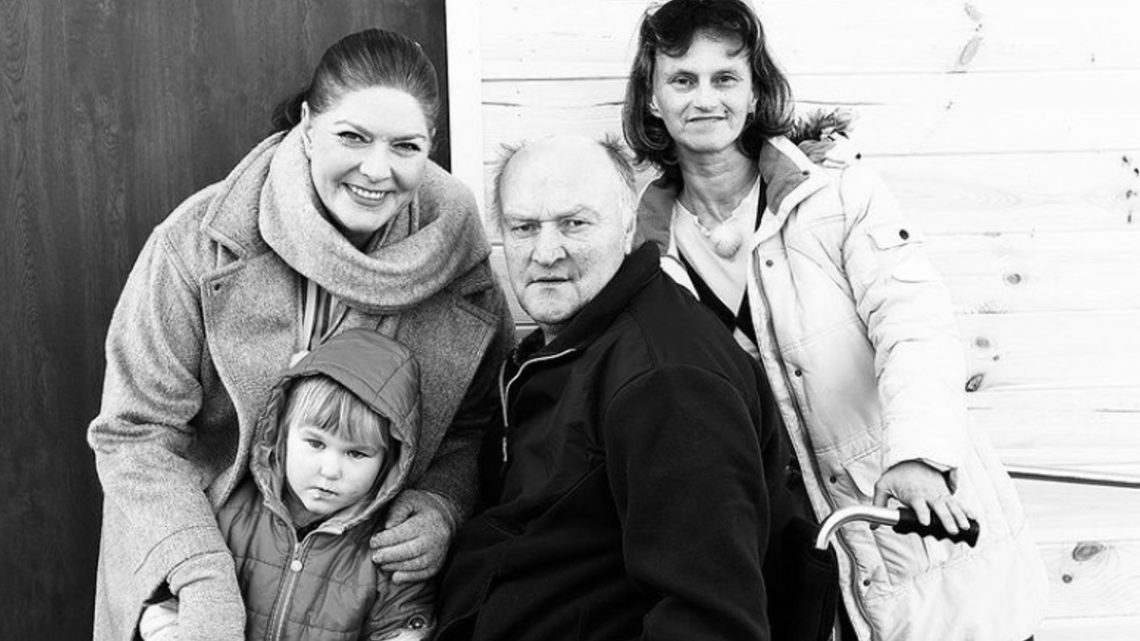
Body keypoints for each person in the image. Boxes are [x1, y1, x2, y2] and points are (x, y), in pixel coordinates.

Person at [621, 1, 1049, 640]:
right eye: (682, 79)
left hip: (908, 519)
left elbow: (914, 323)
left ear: (754, 91)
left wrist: (920, 455)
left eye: (725, 78)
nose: (704, 98)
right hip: (789, 553)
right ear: (653, 99)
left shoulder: (837, 194)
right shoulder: (645, 251)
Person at [88, 29, 513, 641]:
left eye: (405, 146)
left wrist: (443, 504)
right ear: (309, 127)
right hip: (188, 565)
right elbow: (135, 433)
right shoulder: (198, 245)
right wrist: (201, 577)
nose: (377, 170)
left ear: (431, 149)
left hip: (351, 598)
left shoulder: (461, 270)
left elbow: (473, 428)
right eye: (352, 136)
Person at [434, 135, 798, 641]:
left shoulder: (667, 383)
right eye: (524, 227)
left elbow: (709, 619)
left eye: (574, 224)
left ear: (628, 227)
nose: (545, 252)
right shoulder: (569, 343)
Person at [138, 329, 435, 641]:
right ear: (281, 435)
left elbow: (403, 631)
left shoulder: (389, 548)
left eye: (356, 453)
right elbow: (165, 608)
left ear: (390, 461)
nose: (330, 470)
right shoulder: (228, 513)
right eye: (316, 444)